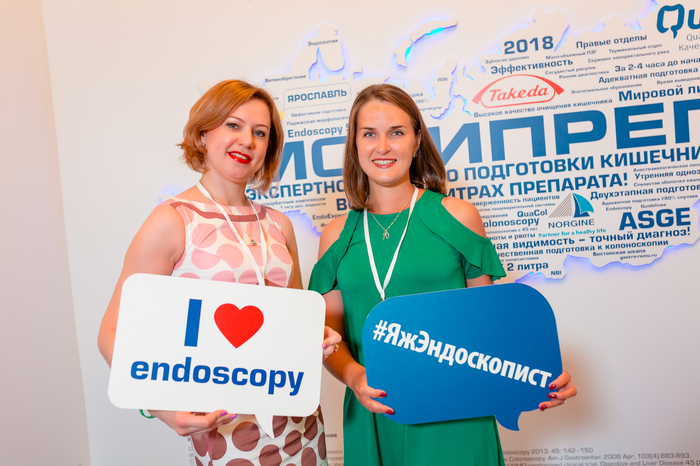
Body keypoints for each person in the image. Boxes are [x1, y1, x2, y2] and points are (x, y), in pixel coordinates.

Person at [309, 84, 577, 466]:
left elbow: (489, 326)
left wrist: (538, 371)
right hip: (373, 411)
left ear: (417, 141)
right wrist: (354, 377)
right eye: (369, 134)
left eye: (396, 132)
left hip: (455, 408)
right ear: (354, 144)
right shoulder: (335, 235)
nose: (382, 146)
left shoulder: (457, 216)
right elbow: (330, 339)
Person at [98, 79, 340, 466]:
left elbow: (295, 321)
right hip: (227, 436)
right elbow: (113, 331)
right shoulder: (173, 220)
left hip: (302, 427)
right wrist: (160, 408)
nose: (247, 140)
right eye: (233, 125)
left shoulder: (278, 224)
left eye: (260, 132)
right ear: (203, 134)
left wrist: (315, 335)